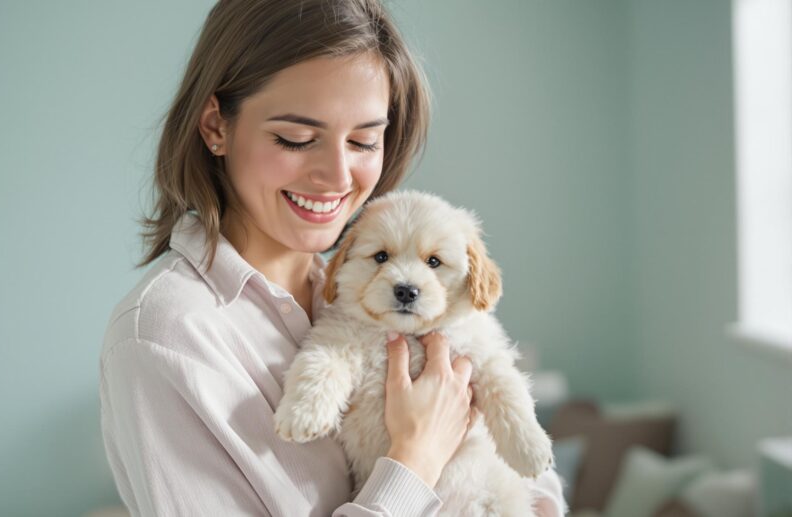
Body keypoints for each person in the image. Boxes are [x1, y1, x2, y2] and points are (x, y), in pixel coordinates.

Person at [98, 0, 567, 515]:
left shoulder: (362, 281)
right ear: (215, 127)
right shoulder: (165, 337)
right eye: (297, 139)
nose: (340, 177)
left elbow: (533, 484)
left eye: (364, 141)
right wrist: (416, 459)